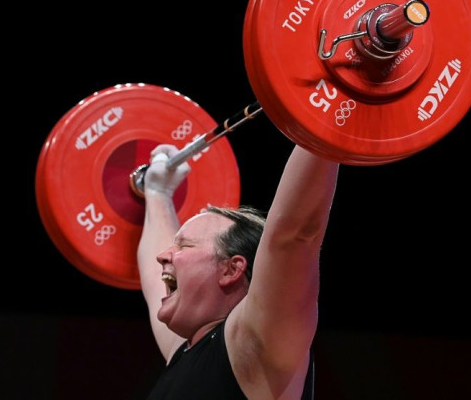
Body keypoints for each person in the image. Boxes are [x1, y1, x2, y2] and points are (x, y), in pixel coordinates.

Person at [137, 141, 340, 399]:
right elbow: (154, 281)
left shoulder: (253, 344)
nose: (162, 255)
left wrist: (324, 121)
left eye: (184, 246)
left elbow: (293, 237)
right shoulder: (188, 348)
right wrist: (158, 192)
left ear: (231, 269)